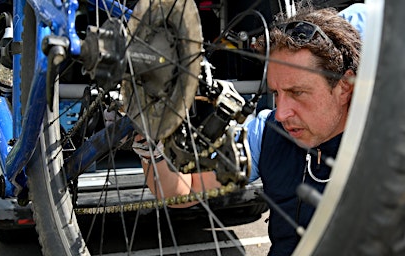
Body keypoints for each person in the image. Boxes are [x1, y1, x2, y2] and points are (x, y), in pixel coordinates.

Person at [131, 4, 362, 256]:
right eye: (276, 93)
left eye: (298, 93)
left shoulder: (385, 152)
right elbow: (186, 189)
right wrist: (152, 146)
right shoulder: (268, 131)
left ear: (344, 87)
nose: (282, 113)